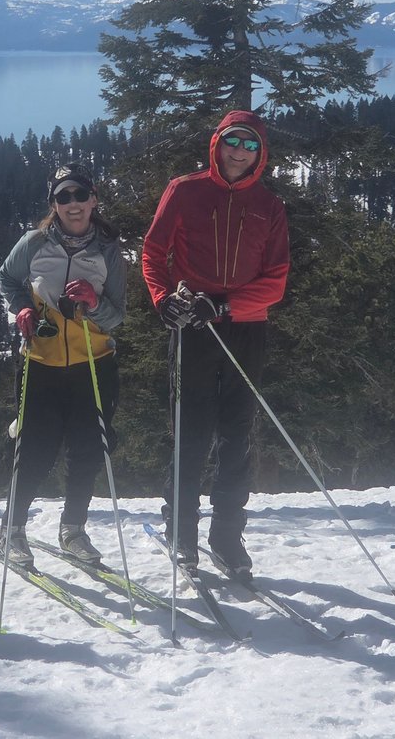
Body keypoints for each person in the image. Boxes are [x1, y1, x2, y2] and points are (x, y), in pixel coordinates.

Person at [141, 110, 290, 578]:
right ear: (217, 144)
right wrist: (164, 299)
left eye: (249, 146)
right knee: (191, 432)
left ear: (260, 155)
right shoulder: (185, 190)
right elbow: (152, 252)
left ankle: (227, 536)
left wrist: (225, 306)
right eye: (232, 142)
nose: (239, 152)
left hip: (245, 328)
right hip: (193, 327)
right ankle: (180, 531)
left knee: (236, 434)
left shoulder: (270, 206)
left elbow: (276, 282)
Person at [0, 162, 127, 567]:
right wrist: (20, 310)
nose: (73, 204)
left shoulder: (108, 253)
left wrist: (92, 302)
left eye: (79, 195)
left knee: (87, 451)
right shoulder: (33, 244)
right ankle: (12, 530)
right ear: (53, 204)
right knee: (33, 450)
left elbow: (117, 317)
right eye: (63, 197)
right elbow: (7, 279)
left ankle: (73, 530)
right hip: (40, 363)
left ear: (93, 200)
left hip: (94, 364)